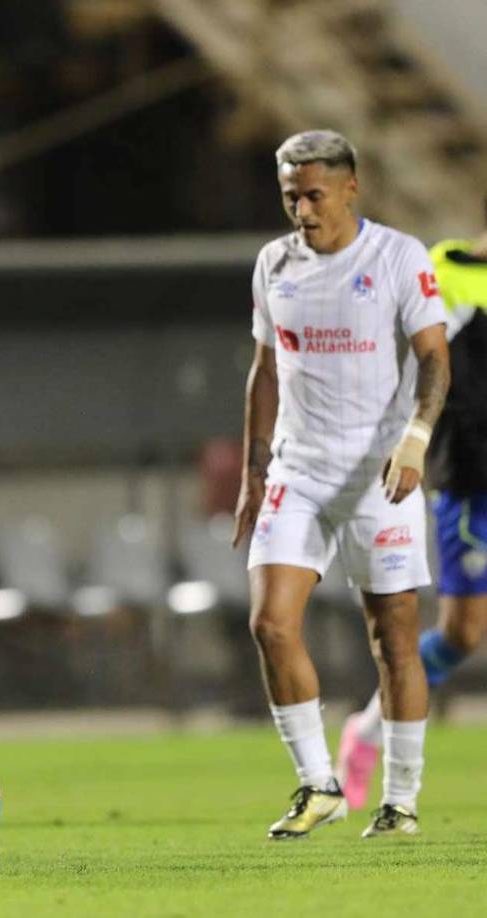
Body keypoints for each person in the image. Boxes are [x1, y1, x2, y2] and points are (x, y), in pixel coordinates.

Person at [232, 131, 450, 839]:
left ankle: (402, 800)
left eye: (314, 194)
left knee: (392, 641)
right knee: (269, 622)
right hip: (298, 470)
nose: (302, 209)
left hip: (379, 475)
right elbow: (265, 371)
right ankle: (318, 783)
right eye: (291, 195)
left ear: (350, 188)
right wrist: (253, 472)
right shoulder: (274, 264)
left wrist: (414, 441)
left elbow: (434, 363)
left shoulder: (396, 258)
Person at [338, 200, 487, 807]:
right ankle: (367, 730)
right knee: (462, 635)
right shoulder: (443, 273)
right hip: (470, 474)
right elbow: (425, 368)